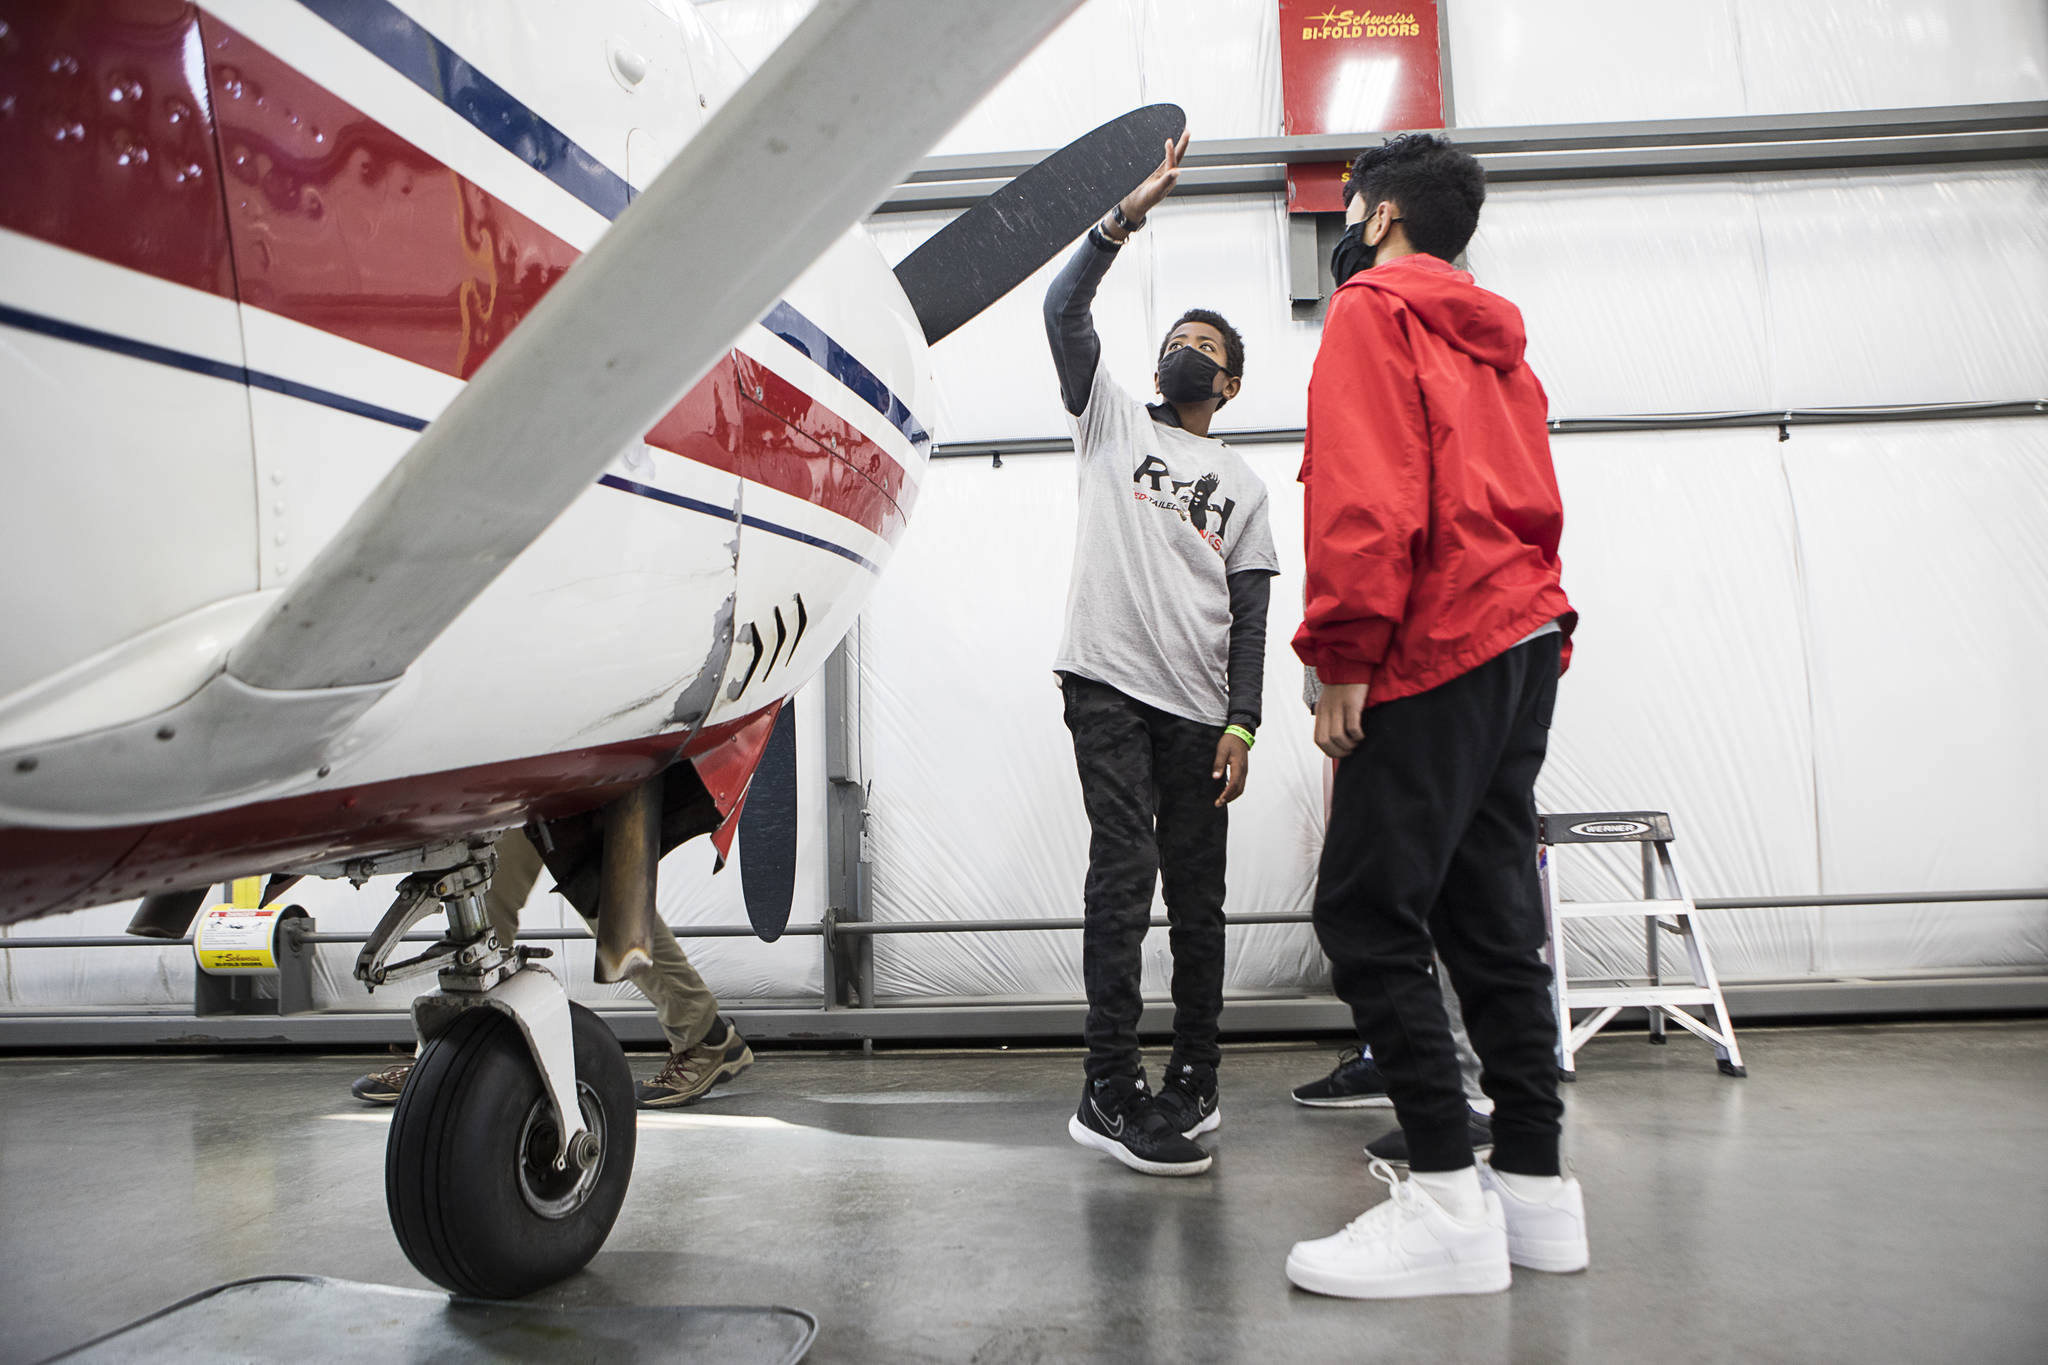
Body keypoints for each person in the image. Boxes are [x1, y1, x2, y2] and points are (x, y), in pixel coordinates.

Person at [1284, 133, 1584, 1299]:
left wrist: (1344, 656)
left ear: (1382, 215)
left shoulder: (1371, 309)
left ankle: (1449, 1203)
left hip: (1432, 638)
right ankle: (1535, 1193)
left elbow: (1365, 492)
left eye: (1353, 202)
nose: (1346, 217)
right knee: (1489, 914)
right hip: (1520, 636)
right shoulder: (1496, 339)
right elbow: (1529, 500)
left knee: (1364, 913)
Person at [1044, 132, 1279, 1178]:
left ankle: (1193, 1077)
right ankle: (1106, 1088)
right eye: (1176, 338)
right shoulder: (1106, 422)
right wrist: (1119, 218)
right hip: (1105, 684)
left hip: (1198, 711)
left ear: (1224, 387)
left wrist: (1243, 722)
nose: (1186, 349)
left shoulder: (1242, 484)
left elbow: (1250, 612)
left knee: (1195, 894)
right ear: (1156, 368)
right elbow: (1061, 313)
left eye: (1206, 347)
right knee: (1120, 875)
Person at [351, 828, 752, 1109]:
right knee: (480, 893)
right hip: (509, 756)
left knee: (603, 898)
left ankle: (707, 1037)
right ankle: (450, 1057)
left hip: (570, 749)